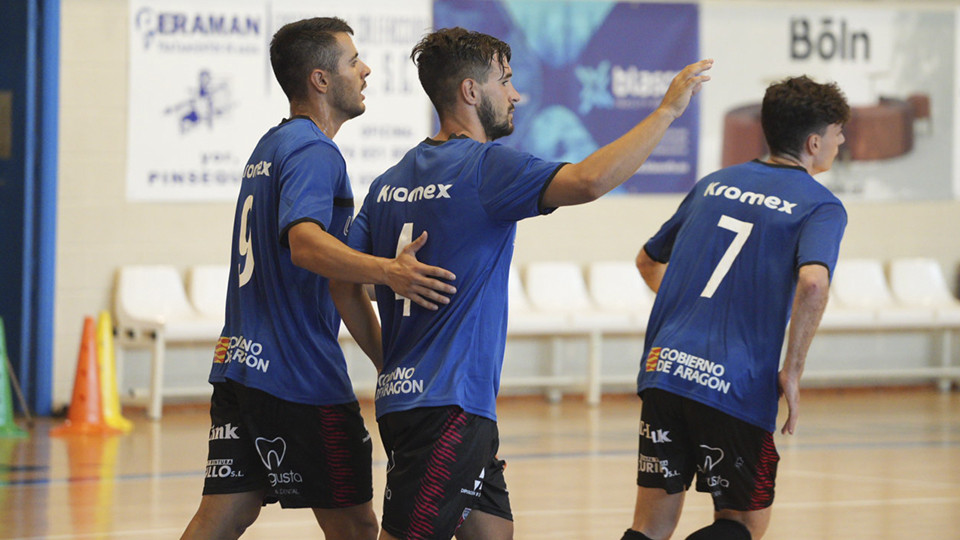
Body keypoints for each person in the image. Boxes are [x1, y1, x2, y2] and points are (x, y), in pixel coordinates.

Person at [331, 26, 711, 540]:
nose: (516, 94)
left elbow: (341, 280)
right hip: (451, 407)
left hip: (417, 403)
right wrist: (666, 112)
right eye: (505, 81)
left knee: (493, 533)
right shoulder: (485, 167)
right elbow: (590, 180)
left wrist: (390, 363)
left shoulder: (389, 181)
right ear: (470, 91)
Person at [180, 17, 457, 540]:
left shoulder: (271, 147)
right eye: (354, 61)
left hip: (240, 368)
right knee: (355, 526)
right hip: (296, 375)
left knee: (225, 514)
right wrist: (388, 272)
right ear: (321, 79)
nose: (366, 70)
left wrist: (387, 363)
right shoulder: (313, 150)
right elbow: (305, 245)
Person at [621, 75, 850, 540]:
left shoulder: (714, 184)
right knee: (742, 524)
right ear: (813, 142)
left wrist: (695, 313)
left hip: (665, 370)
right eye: (837, 133)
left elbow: (648, 261)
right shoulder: (821, 206)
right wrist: (792, 371)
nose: (841, 142)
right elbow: (813, 284)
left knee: (649, 526)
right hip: (735, 382)